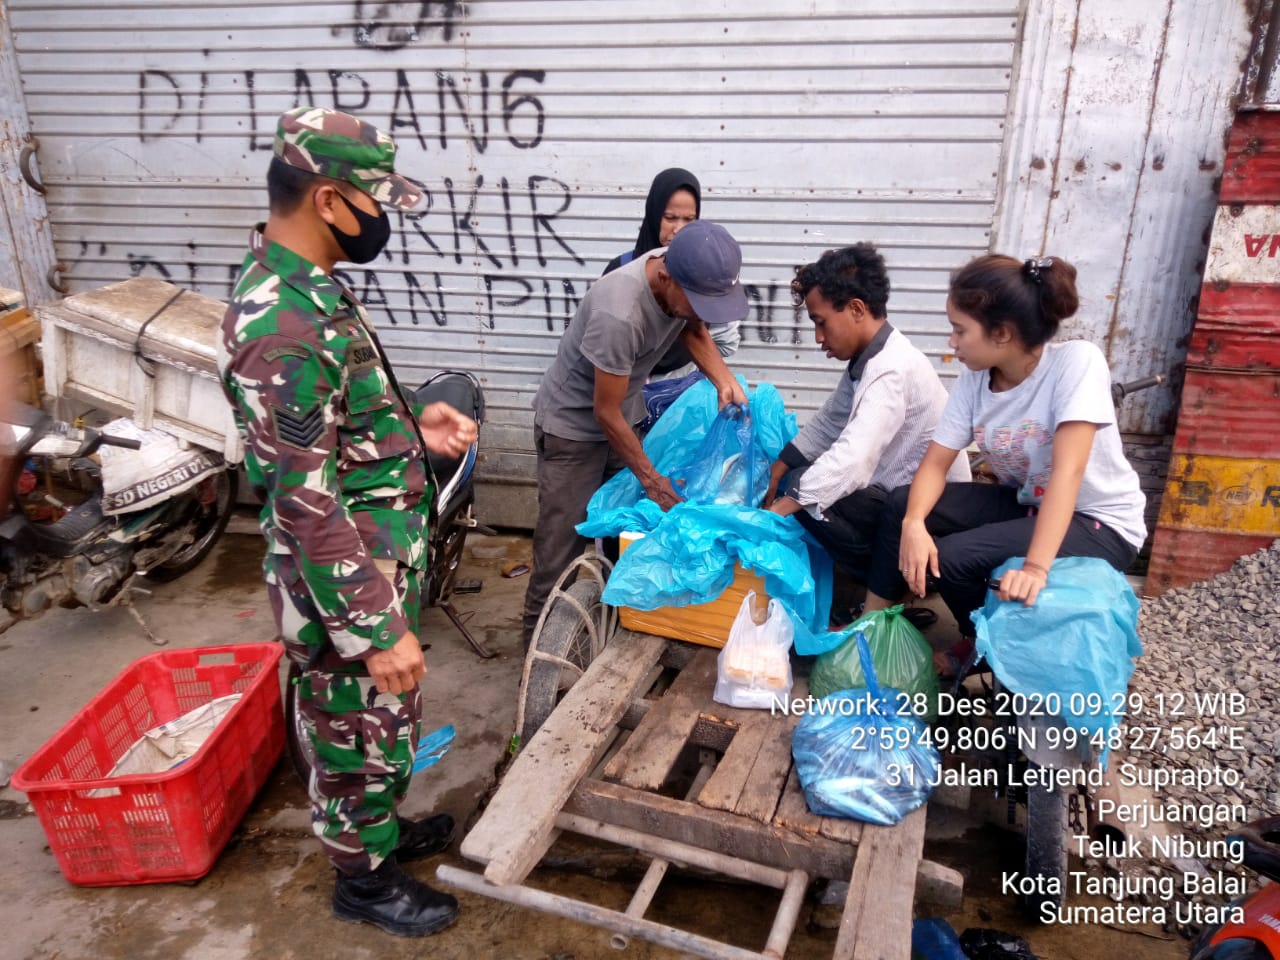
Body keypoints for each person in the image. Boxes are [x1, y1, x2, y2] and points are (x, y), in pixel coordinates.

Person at [218, 106, 477, 938]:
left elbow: (335, 431)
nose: (380, 220)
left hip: (371, 566)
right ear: (330, 199)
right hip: (341, 589)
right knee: (352, 731)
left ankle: (382, 834)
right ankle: (362, 880)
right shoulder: (279, 326)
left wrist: (414, 428)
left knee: (379, 727)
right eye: (375, 201)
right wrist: (371, 626)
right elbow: (303, 497)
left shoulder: (310, 293)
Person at [863, 254, 1147, 672]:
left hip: (1099, 522)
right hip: (1031, 503)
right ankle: (869, 629)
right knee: (902, 504)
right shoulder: (976, 379)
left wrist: (1035, 567)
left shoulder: (1076, 363)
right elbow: (935, 464)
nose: (951, 343)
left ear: (1002, 334)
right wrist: (913, 523)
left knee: (954, 557)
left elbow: (1068, 473)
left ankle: (983, 647)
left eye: (960, 330)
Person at [523, 219, 750, 645]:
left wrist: (724, 381)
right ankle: (537, 667)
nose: (705, 311)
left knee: (621, 537)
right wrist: (652, 480)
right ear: (665, 276)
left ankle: (601, 633)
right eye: (699, 300)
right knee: (559, 557)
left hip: (619, 420)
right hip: (573, 432)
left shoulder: (678, 285)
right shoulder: (619, 313)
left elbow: (694, 327)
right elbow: (604, 412)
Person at [764, 245, 969, 603]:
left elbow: (853, 460)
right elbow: (830, 422)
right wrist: (777, 469)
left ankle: (895, 584)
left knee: (804, 490)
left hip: (928, 525)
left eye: (821, 321)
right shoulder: (871, 357)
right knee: (798, 481)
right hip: (901, 503)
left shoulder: (889, 369)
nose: (818, 337)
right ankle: (884, 575)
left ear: (856, 309)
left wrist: (776, 513)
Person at [603, 168, 740, 373]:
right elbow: (605, 348)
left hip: (684, 391)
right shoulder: (621, 270)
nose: (679, 229)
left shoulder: (705, 271)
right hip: (625, 386)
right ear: (654, 215)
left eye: (689, 219)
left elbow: (726, 342)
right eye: (670, 218)